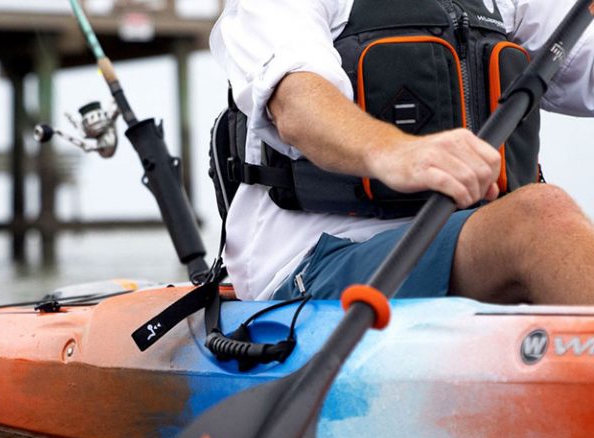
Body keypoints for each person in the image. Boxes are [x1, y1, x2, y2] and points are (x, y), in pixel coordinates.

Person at [209, 0, 594, 304]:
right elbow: (297, 103)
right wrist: (395, 151)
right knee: (541, 220)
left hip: (463, 241)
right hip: (320, 260)